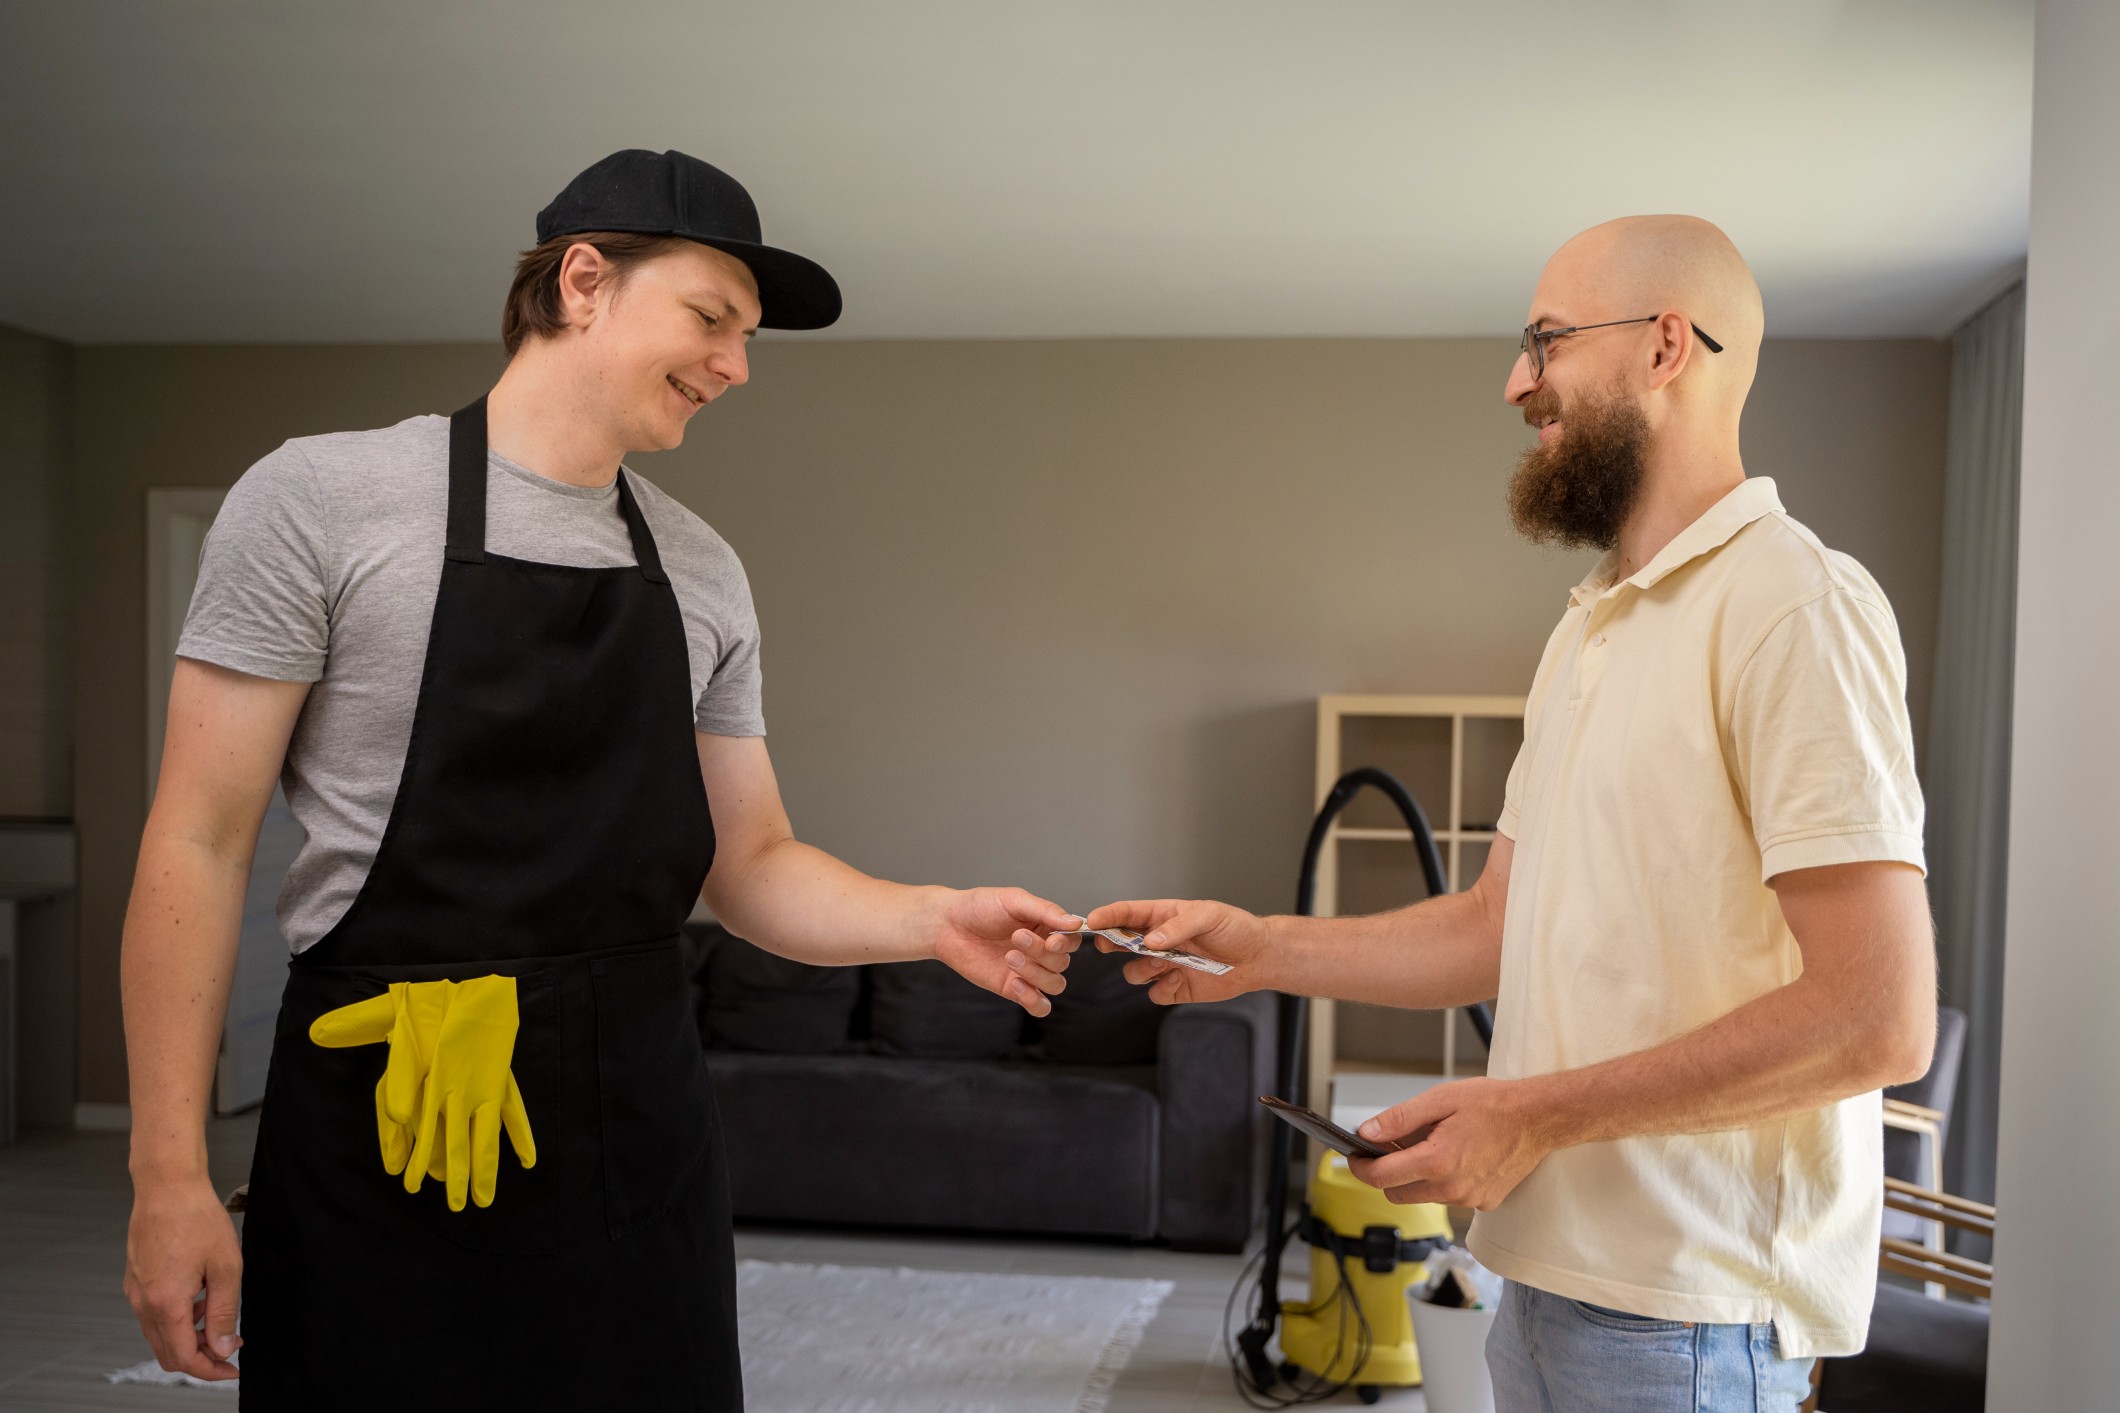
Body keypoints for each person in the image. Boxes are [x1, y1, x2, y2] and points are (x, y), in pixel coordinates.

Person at [119, 149, 1081, 1410]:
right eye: (711, 319)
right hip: (383, 1132)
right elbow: (197, 839)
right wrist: (168, 1178)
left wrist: (927, 917)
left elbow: (751, 864)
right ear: (583, 281)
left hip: (634, 1133)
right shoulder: (321, 502)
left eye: (746, 338)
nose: (736, 365)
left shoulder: (700, 568)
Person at [1071, 216, 1936, 1413]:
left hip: (1688, 1322)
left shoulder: (1792, 605)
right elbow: (1493, 923)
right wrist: (1258, 949)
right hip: (1539, 1286)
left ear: (1663, 346)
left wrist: (1525, 1117)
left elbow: (1875, 1019)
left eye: (1544, 342)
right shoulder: (1589, 624)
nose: (1515, 382)